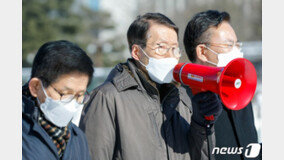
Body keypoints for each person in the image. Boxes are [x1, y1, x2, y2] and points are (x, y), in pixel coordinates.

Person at [79, 12, 223, 160]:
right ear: (137, 52)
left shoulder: (183, 98)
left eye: (174, 49)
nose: (171, 56)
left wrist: (202, 124)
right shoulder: (107, 98)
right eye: (161, 47)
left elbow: (201, 156)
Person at [183, 10, 260, 160]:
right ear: (203, 52)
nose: (237, 52)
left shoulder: (242, 95)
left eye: (238, 45)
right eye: (229, 45)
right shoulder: (183, 101)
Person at [22, 40, 93, 160]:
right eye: (65, 94)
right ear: (36, 87)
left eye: (80, 95)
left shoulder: (78, 138)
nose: (72, 104)